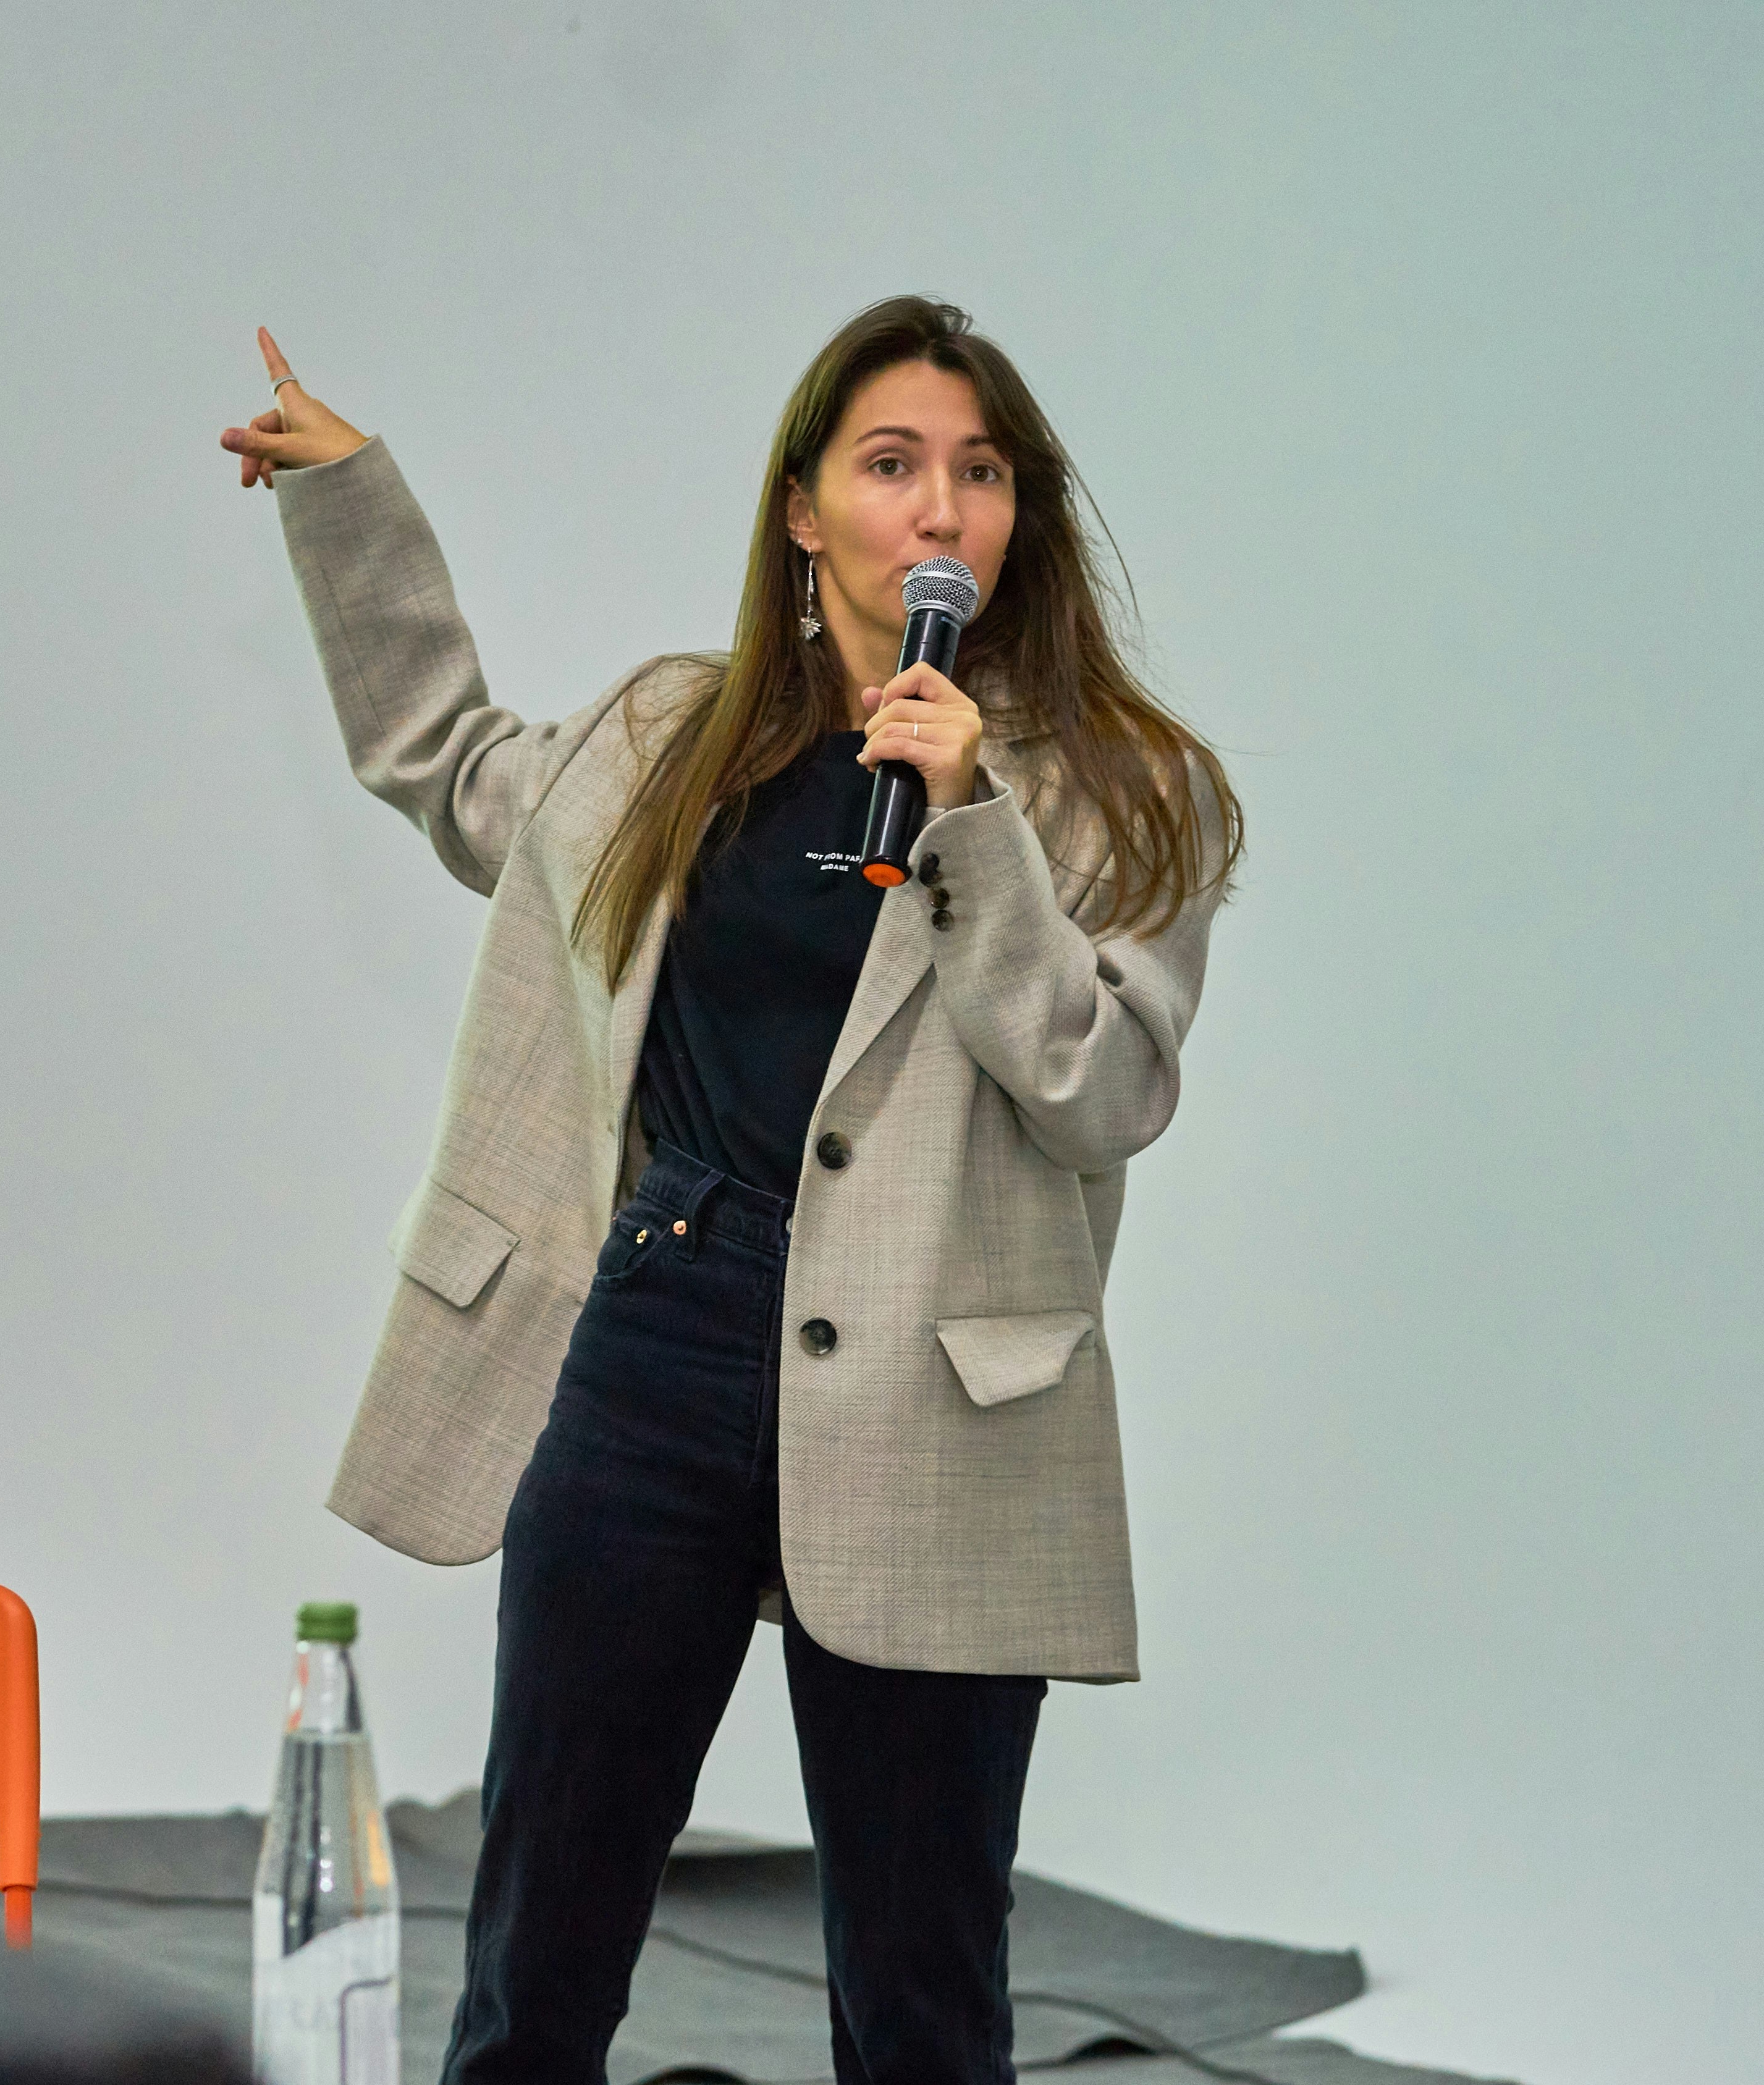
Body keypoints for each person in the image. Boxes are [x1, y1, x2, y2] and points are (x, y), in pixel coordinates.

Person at [217, 296, 1244, 2085]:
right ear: (803, 510)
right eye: (893, 464)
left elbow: (1103, 1088)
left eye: (982, 474)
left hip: (942, 1394)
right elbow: (450, 770)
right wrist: (352, 503)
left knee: (926, 1990)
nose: (942, 512)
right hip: (662, 1347)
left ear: (1022, 518)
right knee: (542, 1950)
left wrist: (976, 822)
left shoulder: (1123, 795)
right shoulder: (670, 744)